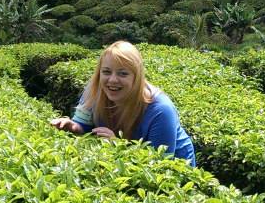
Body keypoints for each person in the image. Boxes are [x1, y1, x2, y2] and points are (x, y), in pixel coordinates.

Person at [49, 41, 196, 167]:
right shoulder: (94, 91)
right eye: (106, 72)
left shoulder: (161, 109)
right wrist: (72, 126)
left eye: (123, 73)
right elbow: (84, 126)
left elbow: (161, 164)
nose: (112, 80)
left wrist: (118, 146)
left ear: (136, 77)